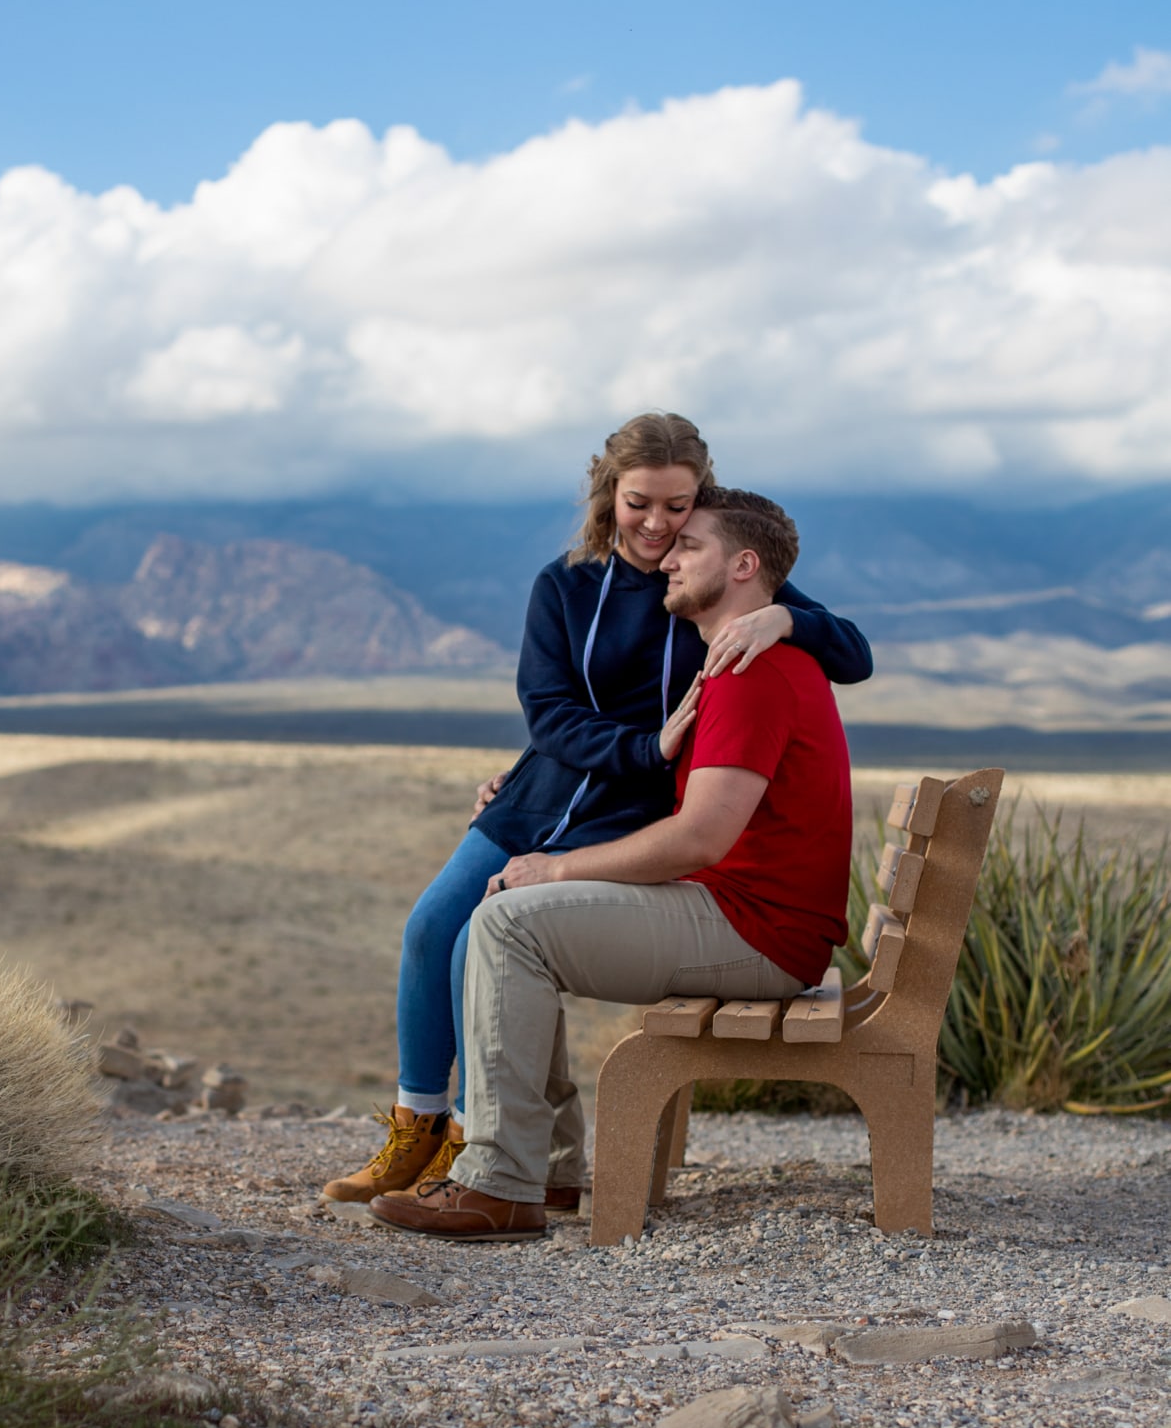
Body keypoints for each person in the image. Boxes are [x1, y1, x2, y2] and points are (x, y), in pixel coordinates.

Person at [321, 416, 871, 1207]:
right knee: (431, 926)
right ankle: (419, 1124)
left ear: (700, 501)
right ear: (609, 495)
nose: (657, 527)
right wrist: (646, 748)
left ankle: (489, 1147)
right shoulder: (566, 585)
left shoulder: (719, 578)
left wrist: (787, 616)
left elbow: (854, 651)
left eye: (678, 509)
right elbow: (546, 712)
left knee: (489, 935)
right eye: (639, 503)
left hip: (636, 815)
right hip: (547, 794)